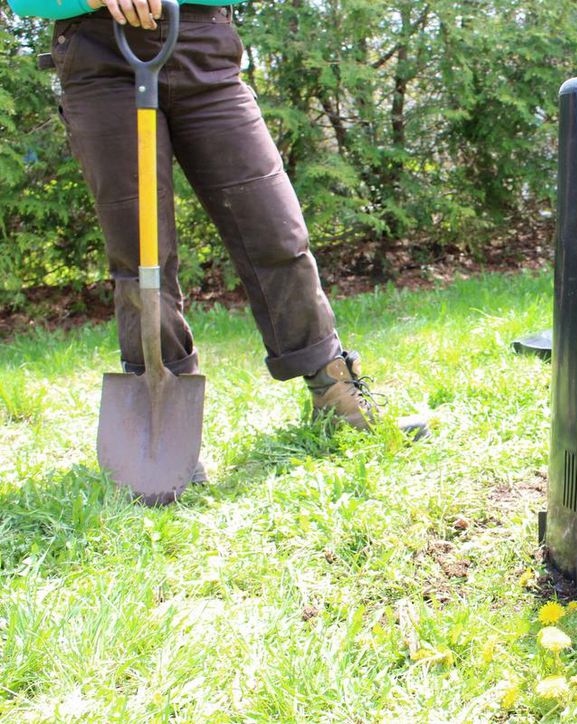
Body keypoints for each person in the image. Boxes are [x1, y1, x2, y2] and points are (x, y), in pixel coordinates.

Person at [9, 0, 429, 474]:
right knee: (142, 251)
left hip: (203, 44)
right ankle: (165, 430)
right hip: (100, 54)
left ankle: (336, 395)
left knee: (274, 228)